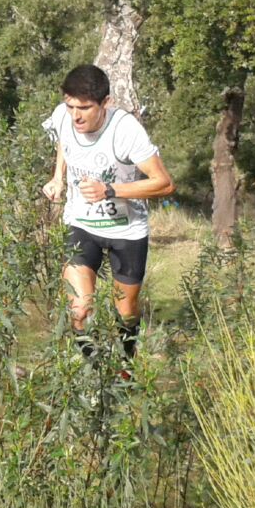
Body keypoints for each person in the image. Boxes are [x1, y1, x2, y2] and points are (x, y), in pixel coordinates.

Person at [41, 64, 175, 371]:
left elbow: (165, 183)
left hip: (126, 231)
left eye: (85, 108)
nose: (76, 116)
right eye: (71, 106)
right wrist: (57, 178)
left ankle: (125, 369)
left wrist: (111, 190)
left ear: (106, 103)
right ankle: (96, 374)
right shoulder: (65, 117)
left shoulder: (125, 131)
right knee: (79, 308)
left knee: (126, 311)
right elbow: (64, 138)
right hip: (80, 224)